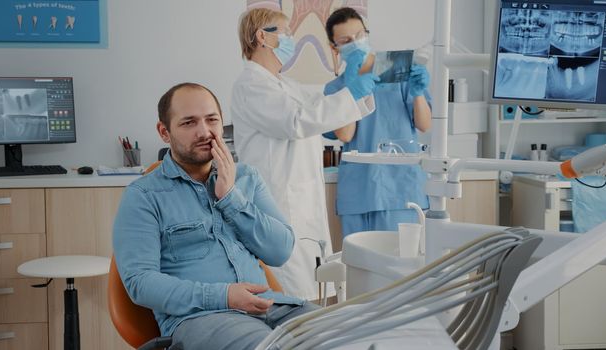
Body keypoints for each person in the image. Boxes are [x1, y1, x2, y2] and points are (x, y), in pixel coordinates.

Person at [113, 82, 318, 350]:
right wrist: (224, 296)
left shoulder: (246, 178)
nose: (205, 132)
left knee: (353, 336)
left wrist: (231, 197)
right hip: (203, 318)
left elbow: (280, 251)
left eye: (212, 120)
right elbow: (141, 283)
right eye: (188, 123)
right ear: (164, 132)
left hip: (273, 307)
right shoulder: (143, 196)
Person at [231, 7, 379, 300]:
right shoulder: (251, 85)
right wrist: (351, 92)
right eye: (285, 33)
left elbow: (321, 102)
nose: (291, 41)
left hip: (301, 207)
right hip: (278, 209)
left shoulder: (286, 85)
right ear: (263, 37)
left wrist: (355, 77)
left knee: (314, 292)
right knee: (292, 296)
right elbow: (297, 121)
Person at [323, 7, 432, 237]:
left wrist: (418, 92)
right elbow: (345, 135)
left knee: (403, 267)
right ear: (335, 48)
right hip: (358, 193)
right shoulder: (335, 89)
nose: (356, 43)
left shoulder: (398, 71)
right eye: (346, 40)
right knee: (359, 268)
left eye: (360, 35)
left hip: (401, 190)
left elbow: (424, 124)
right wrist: (350, 92)